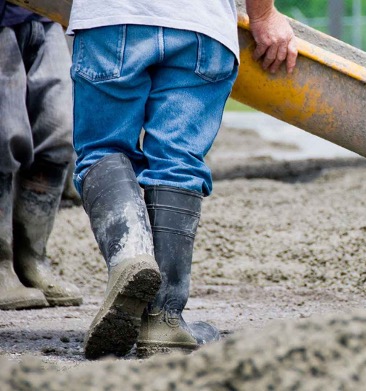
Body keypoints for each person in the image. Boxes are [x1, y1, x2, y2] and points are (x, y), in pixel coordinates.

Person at [67, 0, 297, 359]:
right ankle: (163, 319)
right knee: (177, 163)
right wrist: (264, 15)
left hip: (112, 17)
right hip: (201, 24)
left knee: (103, 149)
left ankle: (130, 255)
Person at [0, 1, 83, 310]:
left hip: (45, 15)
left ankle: (32, 259)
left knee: (59, 133)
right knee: (4, 135)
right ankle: (1, 263)